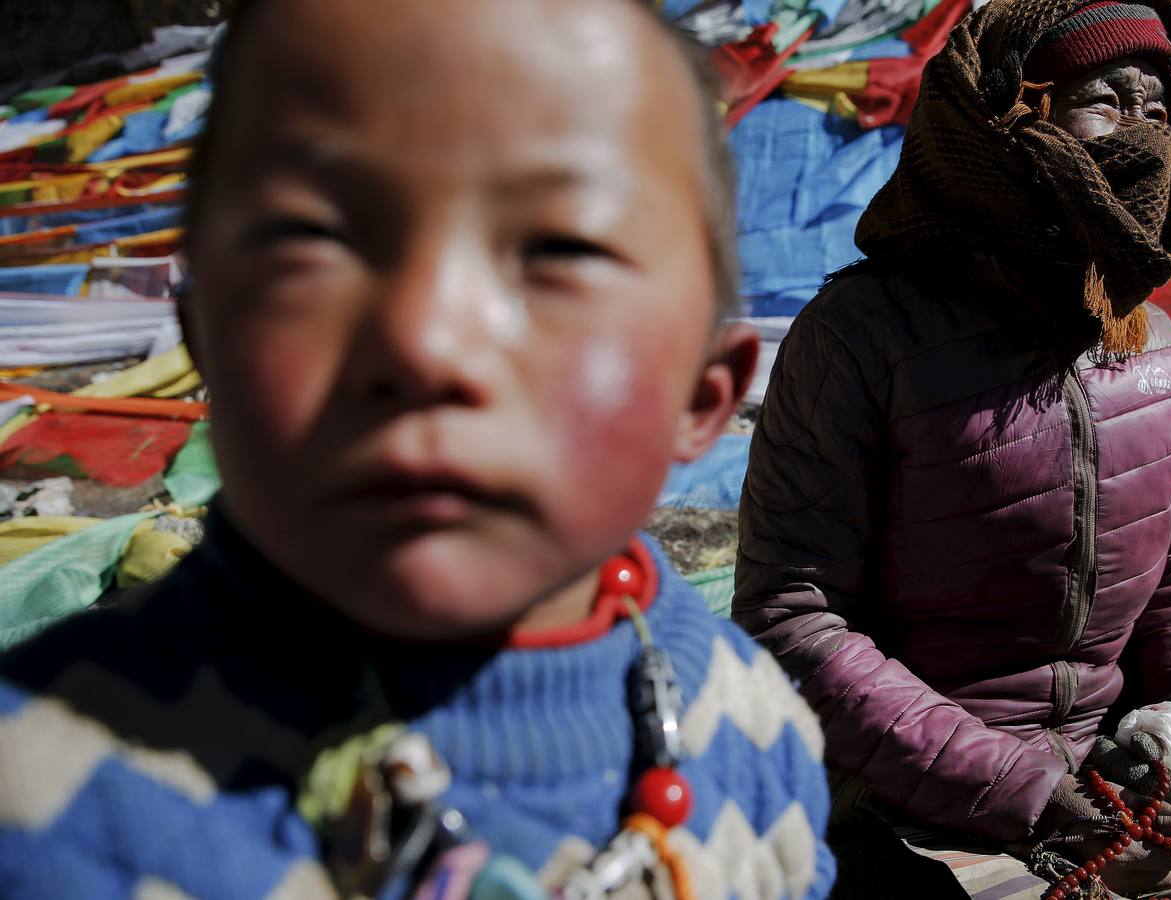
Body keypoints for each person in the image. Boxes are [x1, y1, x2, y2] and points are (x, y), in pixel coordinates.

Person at [0, 1, 837, 897]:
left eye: (559, 248)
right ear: (202, 335)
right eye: (310, 237)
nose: (424, 339)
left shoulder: (757, 737)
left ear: (701, 394)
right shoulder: (40, 803)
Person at [733, 0, 1171, 896]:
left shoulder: (1149, 341)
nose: (1139, 136)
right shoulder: (862, 334)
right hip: (918, 800)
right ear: (1004, 118)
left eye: (1156, 110)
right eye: (1105, 99)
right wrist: (1030, 792)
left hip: (1126, 778)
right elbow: (794, 618)